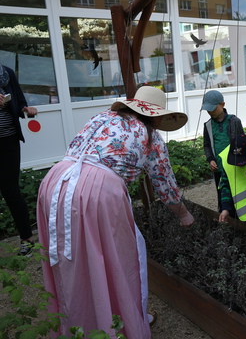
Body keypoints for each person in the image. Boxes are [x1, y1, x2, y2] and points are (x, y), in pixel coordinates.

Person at [37, 86, 195, 338]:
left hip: (55, 182)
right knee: (118, 258)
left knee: (72, 258)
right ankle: (122, 321)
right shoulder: (149, 135)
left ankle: (78, 322)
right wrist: (183, 214)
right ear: (155, 116)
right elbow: (164, 183)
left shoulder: (101, 117)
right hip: (97, 190)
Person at [0, 63, 38, 256]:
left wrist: (25, 109)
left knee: (12, 192)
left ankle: (27, 240)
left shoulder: (6, 73)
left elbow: (19, 102)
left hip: (8, 141)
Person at [202, 90, 244, 212]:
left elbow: (242, 141)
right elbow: (207, 145)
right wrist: (210, 159)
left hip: (233, 167)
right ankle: (224, 216)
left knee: (236, 194)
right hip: (218, 168)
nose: (210, 112)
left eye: (213, 109)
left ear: (222, 104)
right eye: (208, 110)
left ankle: (239, 218)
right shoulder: (208, 125)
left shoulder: (234, 121)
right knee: (221, 193)